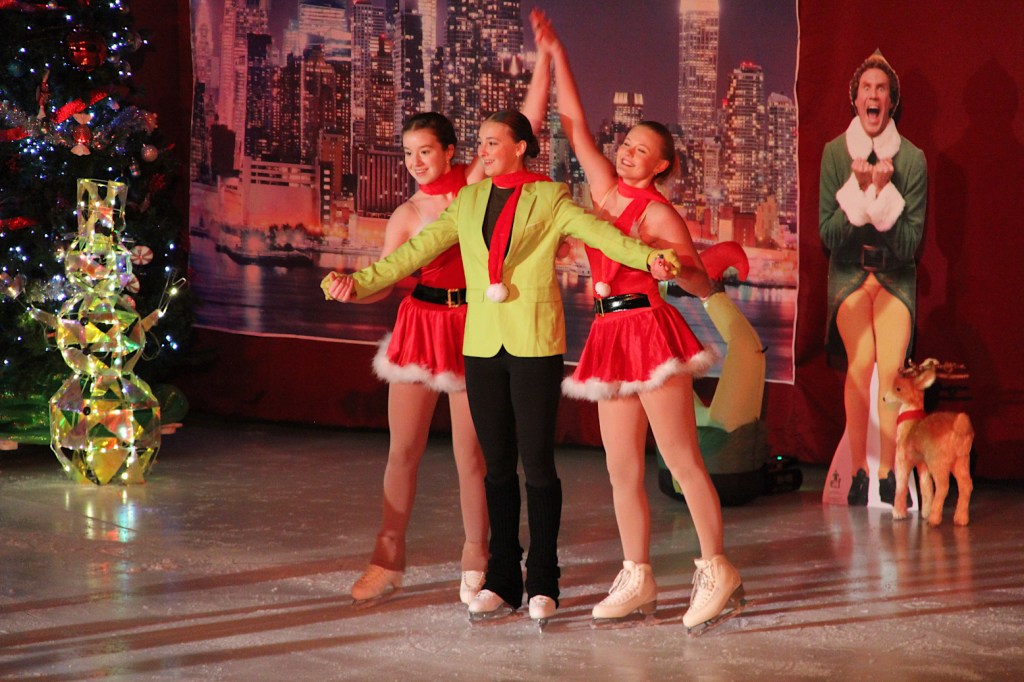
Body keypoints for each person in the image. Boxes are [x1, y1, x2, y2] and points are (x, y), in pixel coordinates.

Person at [323, 109, 682, 625]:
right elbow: (414, 253)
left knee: (537, 464)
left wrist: (648, 258)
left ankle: (544, 581)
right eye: (481, 142)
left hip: (534, 341)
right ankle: (501, 578)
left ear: (520, 147)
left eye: (494, 142)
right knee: (496, 467)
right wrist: (357, 283)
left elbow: (601, 233)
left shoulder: (550, 196)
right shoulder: (468, 200)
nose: (484, 151)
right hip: (481, 343)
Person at [532, 10, 744, 631]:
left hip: (649, 332)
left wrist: (685, 267)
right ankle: (638, 575)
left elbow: (697, 281)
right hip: (607, 335)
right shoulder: (602, 191)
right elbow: (574, 127)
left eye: (640, 151)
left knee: (680, 459)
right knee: (620, 467)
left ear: (660, 167)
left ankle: (717, 568)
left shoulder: (658, 214)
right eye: (625, 145)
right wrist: (556, 54)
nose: (626, 154)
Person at [342, 112, 488, 605]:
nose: (415, 162)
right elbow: (385, 280)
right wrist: (352, 289)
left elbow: (525, 123)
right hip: (421, 327)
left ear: (450, 151)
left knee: (472, 456)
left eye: (425, 151)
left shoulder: (473, 187)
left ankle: (477, 559)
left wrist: (549, 68)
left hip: (472, 325)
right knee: (403, 450)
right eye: (408, 153)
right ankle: (386, 560)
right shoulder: (406, 214)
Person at [819, 51, 926, 506]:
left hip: (895, 276)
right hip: (849, 274)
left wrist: (884, 196)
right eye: (866, 88)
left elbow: (910, 244)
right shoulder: (834, 153)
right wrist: (859, 195)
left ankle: (888, 473)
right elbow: (828, 235)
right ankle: (860, 470)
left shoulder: (913, 160)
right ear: (856, 99)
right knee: (860, 363)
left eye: (881, 88)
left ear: (892, 101)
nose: (873, 94)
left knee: (891, 370)